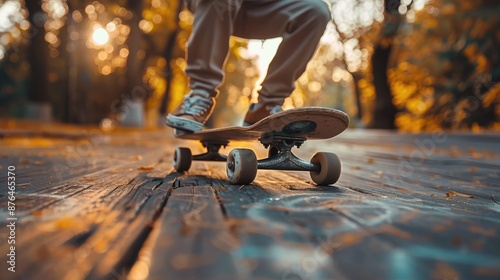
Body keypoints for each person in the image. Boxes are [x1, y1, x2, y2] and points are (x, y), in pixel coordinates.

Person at [167, 0, 331, 132]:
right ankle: (199, 96)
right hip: (214, 6)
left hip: (263, 7)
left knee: (316, 10)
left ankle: (266, 105)